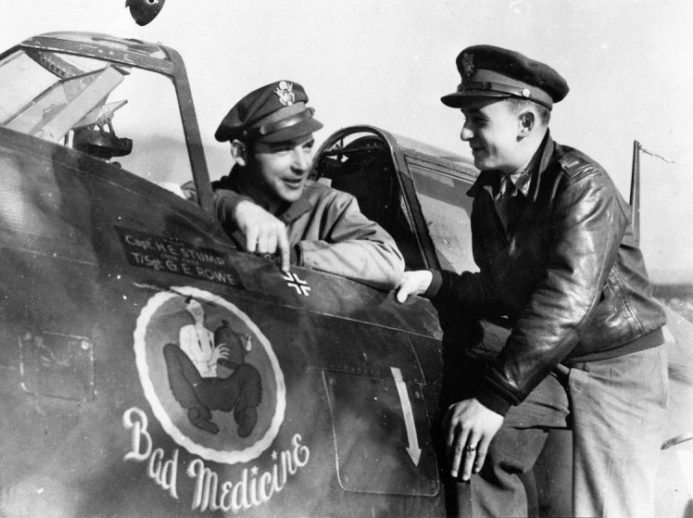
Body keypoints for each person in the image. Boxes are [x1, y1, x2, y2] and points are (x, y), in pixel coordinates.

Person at [395, 45, 668, 518]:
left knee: (610, 509)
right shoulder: (492, 191)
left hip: (614, 370)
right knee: (475, 435)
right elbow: (502, 290)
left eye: (477, 119)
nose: (464, 132)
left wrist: (495, 397)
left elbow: (567, 301)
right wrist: (434, 282)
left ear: (524, 124)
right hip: (552, 359)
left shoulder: (582, 187)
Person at [209, 80, 404, 290]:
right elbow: (176, 200)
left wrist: (296, 255)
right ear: (241, 153)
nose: (302, 165)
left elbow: (388, 259)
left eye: (308, 147)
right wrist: (232, 206)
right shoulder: (209, 198)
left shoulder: (331, 205)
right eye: (283, 149)